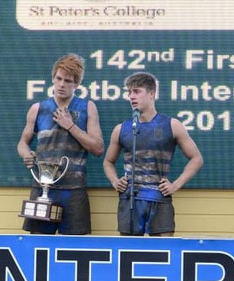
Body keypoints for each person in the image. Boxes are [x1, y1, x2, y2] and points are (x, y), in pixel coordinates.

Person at [103, 72, 203, 236]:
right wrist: (115, 181)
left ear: (151, 94)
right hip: (130, 199)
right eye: (129, 93)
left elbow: (196, 158)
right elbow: (108, 162)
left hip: (159, 198)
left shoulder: (171, 125)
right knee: (129, 252)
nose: (131, 97)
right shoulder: (121, 129)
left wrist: (176, 185)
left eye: (136, 91)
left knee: (164, 251)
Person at [17, 54, 104, 235]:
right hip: (42, 187)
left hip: (73, 189)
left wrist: (70, 126)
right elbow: (23, 143)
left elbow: (98, 148)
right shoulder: (38, 108)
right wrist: (26, 154)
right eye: (58, 79)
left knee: (74, 247)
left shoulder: (87, 107)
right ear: (53, 79)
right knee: (39, 245)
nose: (62, 84)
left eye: (68, 81)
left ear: (76, 85)